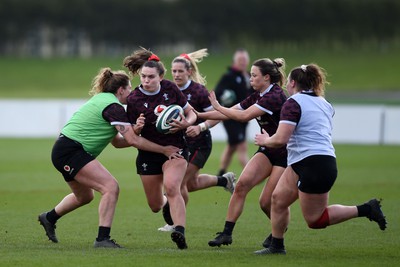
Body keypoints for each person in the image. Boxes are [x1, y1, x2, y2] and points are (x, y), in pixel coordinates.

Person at [38, 68, 180, 248]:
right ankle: (102, 239)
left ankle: (49, 218)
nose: (131, 92)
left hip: (65, 149)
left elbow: (118, 143)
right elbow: (132, 141)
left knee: (84, 196)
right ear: (121, 90)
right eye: (129, 88)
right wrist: (164, 149)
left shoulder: (102, 100)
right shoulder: (114, 107)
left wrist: (134, 131)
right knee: (110, 187)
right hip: (71, 151)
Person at [254, 63, 387, 255]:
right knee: (278, 199)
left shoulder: (293, 102)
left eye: (287, 83)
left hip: (314, 164)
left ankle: (366, 209)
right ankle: (276, 246)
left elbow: (281, 138)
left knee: (316, 220)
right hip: (308, 161)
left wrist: (266, 140)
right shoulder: (324, 103)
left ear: (292, 83)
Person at [196, 58, 288, 247]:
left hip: (285, 153)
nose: (250, 79)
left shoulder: (275, 96)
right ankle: (226, 233)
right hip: (268, 149)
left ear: (267, 77)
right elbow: (230, 112)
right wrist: (197, 116)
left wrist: (218, 107)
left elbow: (244, 116)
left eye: (254, 76)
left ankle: (278, 231)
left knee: (266, 202)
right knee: (241, 186)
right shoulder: (258, 94)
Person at [122, 48, 198, 249]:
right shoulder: (134, 99)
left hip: (176, 148)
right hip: (149, 153)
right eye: (143, 77)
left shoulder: (171, 89)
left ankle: (179, 231)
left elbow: (192, 113)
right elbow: (132, 136)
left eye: (151, 77)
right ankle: (167, 206)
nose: (146, 81)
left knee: (173, 187)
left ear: (160, 76)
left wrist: (186, 124)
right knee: (155, 205)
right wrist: (137, 128)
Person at [157, 49, 236, 232]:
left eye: (180, 71)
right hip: (179, 144)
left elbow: (218, 115)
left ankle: (175, 223)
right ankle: (224, 181)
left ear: (189, 72)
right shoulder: (168, 89)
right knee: (190, 184)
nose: (176, 75)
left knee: (179, 183)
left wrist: (200, 127)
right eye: (174, 71)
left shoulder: (198, 91)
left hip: (200, 144)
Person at [214, 48, 252, 176]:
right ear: (234, 61)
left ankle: (221, 173)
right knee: (242, 146)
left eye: (244, 60)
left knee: (232, 146)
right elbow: (217, 92)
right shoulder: (228, 76)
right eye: (240, 60)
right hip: (230, 117)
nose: (242, 62)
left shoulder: (248, 76)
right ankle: (251, 174)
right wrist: (227, 97)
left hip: (244, 117)